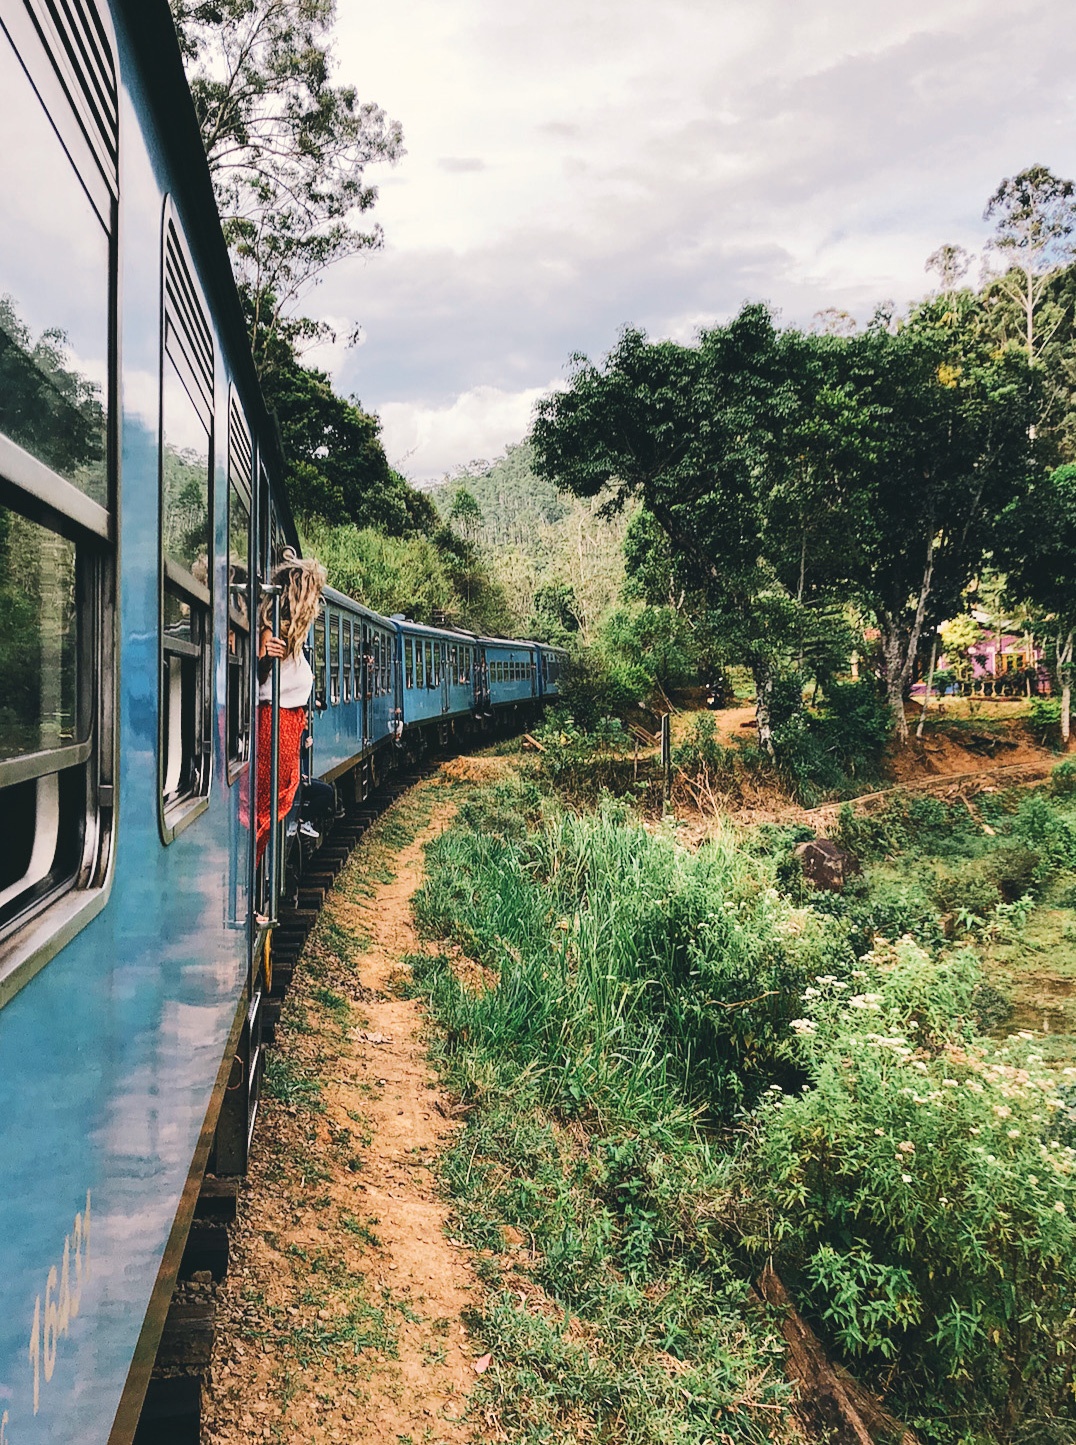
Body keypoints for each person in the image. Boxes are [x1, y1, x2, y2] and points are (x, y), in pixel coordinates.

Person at [254, 548, 327, 866]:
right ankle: (253, 884)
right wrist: (265, 658)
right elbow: (259, 677)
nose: (317, 605)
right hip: (276, 723)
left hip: (287, 723)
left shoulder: (294, 638)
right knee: (268, 806)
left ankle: (256, 885)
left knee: (275, 804)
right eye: (313, 596)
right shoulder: (274, 630)